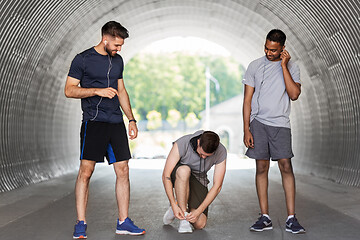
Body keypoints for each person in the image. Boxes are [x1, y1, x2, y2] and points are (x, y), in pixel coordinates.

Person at [64, 21, 145, 239]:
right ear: (105, 39)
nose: (119, 49)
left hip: (115, 122)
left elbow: (121, 90)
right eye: (117, 44)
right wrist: (97, 91)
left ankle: (123, 222)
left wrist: (132, 119)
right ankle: (80, 223)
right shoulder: (82, 59)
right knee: (86, 172)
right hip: (94, 121)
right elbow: (69, 91)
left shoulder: (118, 60)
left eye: (121, 45)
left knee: (123, 169)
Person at [242, 29, 305, 234]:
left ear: (282, 49)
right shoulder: (254, 66)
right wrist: (246, 129)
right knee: (261, 168)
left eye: (274, 50)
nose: (269, 53)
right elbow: (247, 100)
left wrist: (284, 66)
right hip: (258, 123)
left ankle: (291, 218)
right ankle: (265, 216)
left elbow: (294, 94)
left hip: (280, 124)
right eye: (267, 48)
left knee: (286, 166)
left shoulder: (292, 67)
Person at [162, 130, 227, 233]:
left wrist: (198, 212)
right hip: (179, 173)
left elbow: (217, 186)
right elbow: (166, 175)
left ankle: (180, 205)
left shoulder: (221, 151)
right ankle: (182, 216)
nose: (204, 157)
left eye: (208, 156)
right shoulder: (182, 143)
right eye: (202, 154)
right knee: (184, 170)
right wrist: (172, 203)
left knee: (200, 223)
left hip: (199, 178)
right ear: (198, 142)